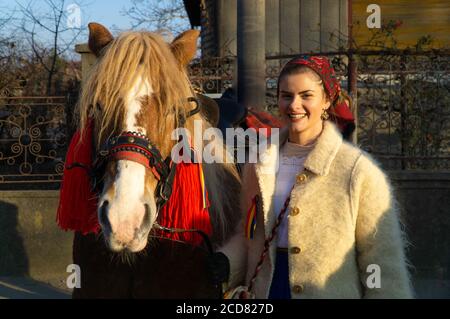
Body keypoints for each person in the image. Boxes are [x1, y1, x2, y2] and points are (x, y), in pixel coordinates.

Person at [213, 55, 413, 299]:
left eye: (306, 96)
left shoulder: (357, 171)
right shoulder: (258, 163)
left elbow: (381, 262)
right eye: (286, 96)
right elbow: (249, 237)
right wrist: (225, 263)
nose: (294, 105)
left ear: (327, 100)